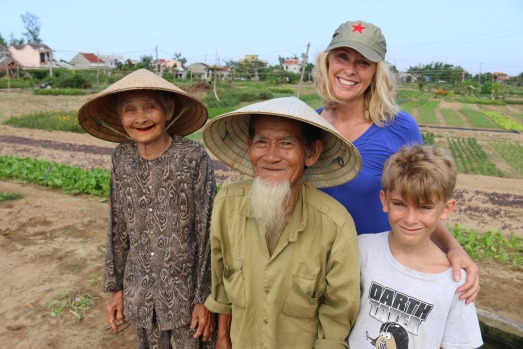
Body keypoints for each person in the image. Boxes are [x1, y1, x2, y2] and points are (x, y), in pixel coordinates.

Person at [314, 20, 479, 302]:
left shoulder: (398, 127)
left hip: (375, 273)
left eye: (363, 62)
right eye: (342, 57)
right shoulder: (310, 124)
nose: (350, 69)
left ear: (376, 72)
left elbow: (421, 200)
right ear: (327, 62)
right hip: (317, 269)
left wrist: (454, 248)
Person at [202, 96, 362, 348]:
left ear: (312, 153)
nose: (271, 156)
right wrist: (223, 338)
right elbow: (222, 282)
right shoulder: (227, 204)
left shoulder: (335, 224)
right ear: (249, 146)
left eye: (287, 143)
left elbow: (338, 311)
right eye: (261, 142)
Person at [77, 69, 216, 349]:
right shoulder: (122, 158)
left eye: (150, 107)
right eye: (130, 110)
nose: (140, 118)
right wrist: (117, 289)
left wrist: (205, 299)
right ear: (120, 118)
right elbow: (117, 228)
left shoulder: (192, 158)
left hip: (186, 295)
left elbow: (208, 232)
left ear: (168, 110)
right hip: (140, 291)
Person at [348, 144, 483, 348]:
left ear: (446, 209)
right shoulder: (362, 249)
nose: (410, 219)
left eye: (425, 207)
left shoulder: (456, 282)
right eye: (400, 204)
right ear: (384, 200)